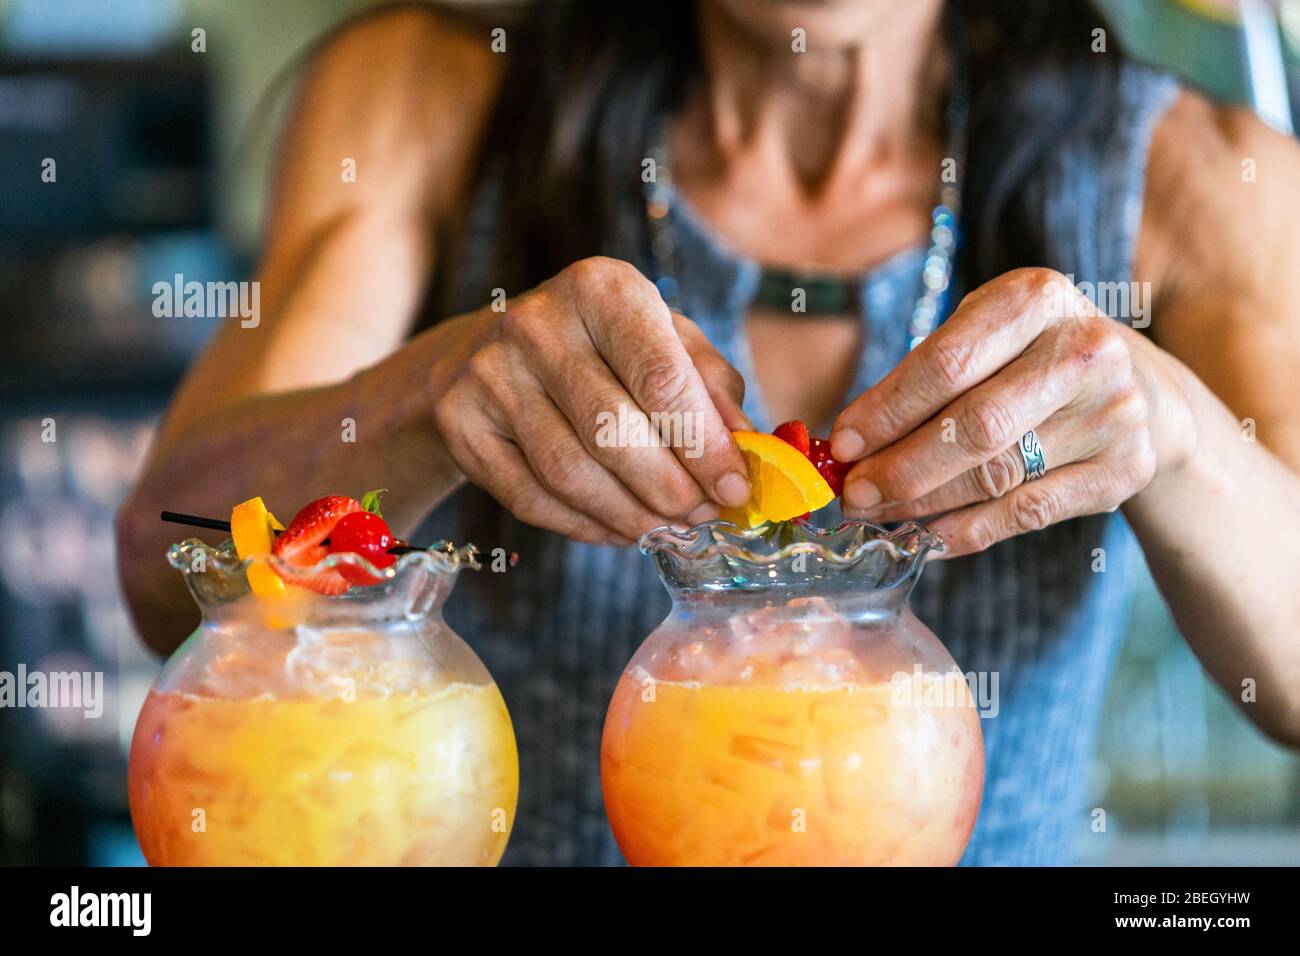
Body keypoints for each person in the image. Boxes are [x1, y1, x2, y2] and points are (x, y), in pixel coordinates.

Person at [116, 0, 1300, 865]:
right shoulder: (428, 92)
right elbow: (166, 577)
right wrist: (427, 396)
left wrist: (1178, 426)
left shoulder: (1195, 173)